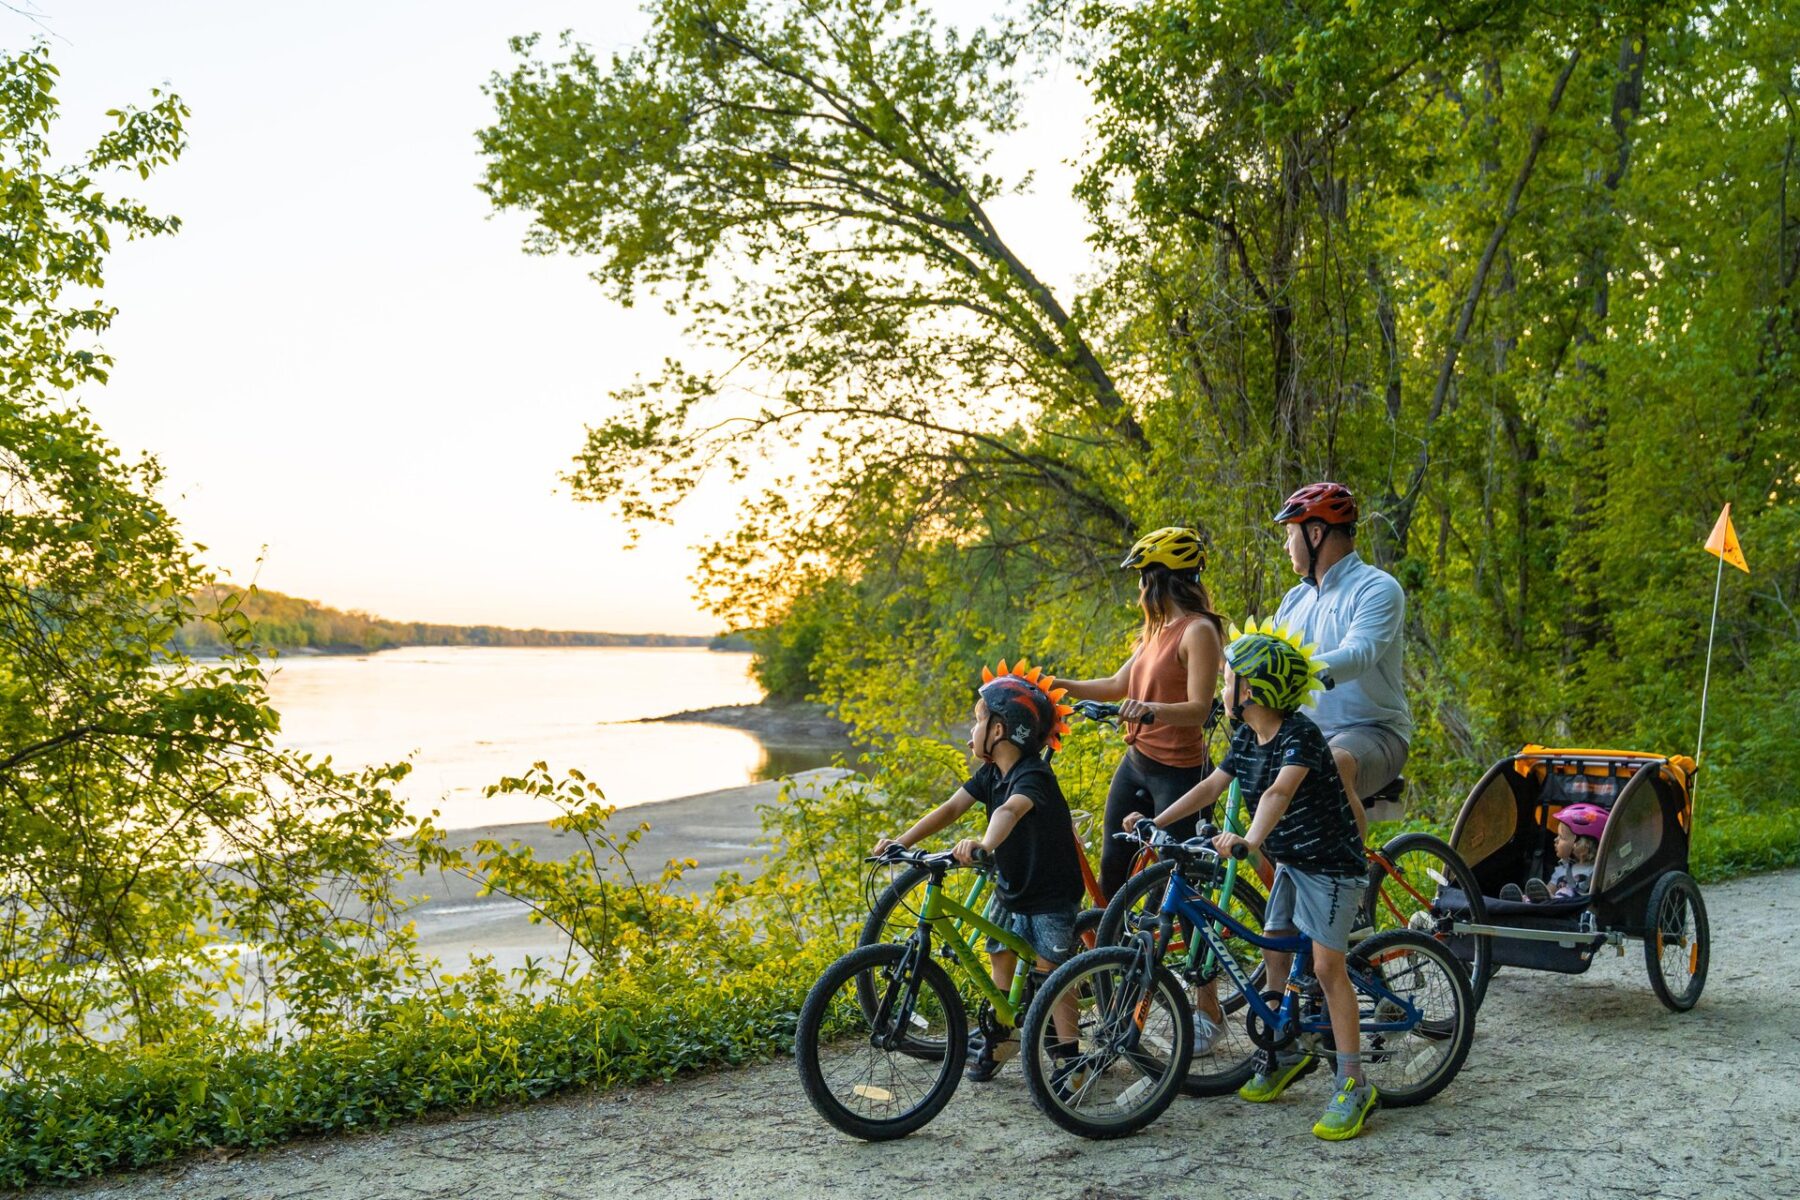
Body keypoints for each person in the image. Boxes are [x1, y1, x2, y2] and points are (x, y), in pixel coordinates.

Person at [1124, 619, 1377, 1141]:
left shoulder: (1300, 736)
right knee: (1275, 947)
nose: (1222, 686)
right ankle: (1284, 1050)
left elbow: (1278, 795)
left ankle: (1353, 1082)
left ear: (1253, 690)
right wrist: (1159, 820)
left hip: (1330, 866)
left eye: (1229, 678)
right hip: (1291, 862)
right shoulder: (1245, 736)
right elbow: (1213, 785)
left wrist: (1251, 840)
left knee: (1329, 967)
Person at [872, 660, 1085, 1082]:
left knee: (1053, 977)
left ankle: (1069, 1057)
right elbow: (951, 808)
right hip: (1011, 887)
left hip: (1050, 894)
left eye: (977, 721)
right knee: (1000, 957)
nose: (971, 732)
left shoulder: (1033, 776)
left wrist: (984, 845)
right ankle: (1004, 1035)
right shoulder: (990, 773)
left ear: (1000, 730)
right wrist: (903, 841)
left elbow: (1010, 810)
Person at [1059, 526, 1226, 899]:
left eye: (1141, 578)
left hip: (1181, 775)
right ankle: (1107, 955)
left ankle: (1179, 956)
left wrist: (1149, 709)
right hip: (1138, 763)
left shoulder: (1198, 631)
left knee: (1171, 884)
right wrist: (1054, 684)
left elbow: (1199, 709)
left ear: (1158, 580)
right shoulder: (1156, 630)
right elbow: (1118, 684)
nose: (1139, 590)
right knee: (1113, 867)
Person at [1272, 482, 1413, 832]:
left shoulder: (1377, 587)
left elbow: (1359, 654)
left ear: (1316, 533)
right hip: (1306, 735)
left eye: (1291, 534)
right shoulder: (1294, 600)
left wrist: (1297, 670)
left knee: (1331, 765)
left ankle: (1350, 882)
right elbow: (1267, 661)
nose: (1287, 545)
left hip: (1374, 731)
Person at [1504, 803, 1605, 902]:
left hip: (1575, 910)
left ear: (1581, 845)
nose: (1555, 840)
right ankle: (1524, 901)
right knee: (1547, 896)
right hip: (1554, 908)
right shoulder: (1562, 869)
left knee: (1567, 892)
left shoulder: (1597, 871)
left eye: (1561, 837)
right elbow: (1548, 892)